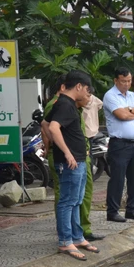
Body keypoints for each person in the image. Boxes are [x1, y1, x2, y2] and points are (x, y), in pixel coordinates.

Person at [43, 80, 104, 242]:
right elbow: (49, 127)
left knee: (78, 198)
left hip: (80, 157)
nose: (88, 96)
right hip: (69, 159)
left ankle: (79, 234)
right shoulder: (61, 104)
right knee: (66, 200)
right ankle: (66, 238)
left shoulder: (72, 105)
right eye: (87, 91)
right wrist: (65, 151)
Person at [103, 67, 134, 222]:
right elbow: (121, 115)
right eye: (123, 81)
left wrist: (130, 109)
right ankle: (112, 211)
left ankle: (131, 209)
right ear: (116, 80)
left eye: (129, 81)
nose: (127, 84)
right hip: (119, 144)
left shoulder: (132, 95)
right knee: (117, 178)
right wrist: (133, 112)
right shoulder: (110, 96)